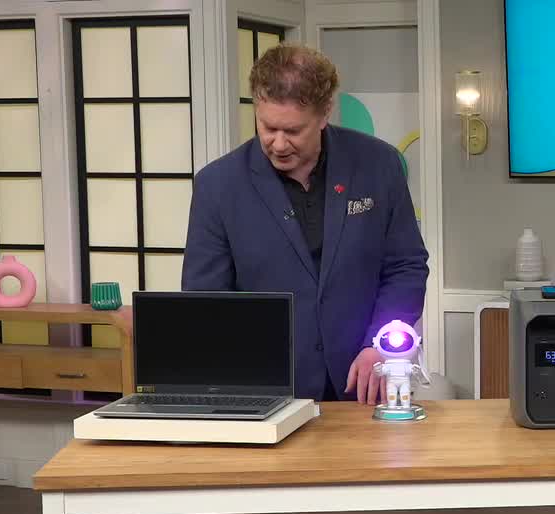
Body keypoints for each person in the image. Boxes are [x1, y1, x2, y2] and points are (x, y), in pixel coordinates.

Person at [182, 44, 429, 404]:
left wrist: (380, 345)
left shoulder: (379, 164)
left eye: (294, 131)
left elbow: (406, 266)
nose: (278, 144)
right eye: (267, 127)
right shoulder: (217, 185)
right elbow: (206, 302)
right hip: (265, 394)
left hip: (366, 385)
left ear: (325, 112)